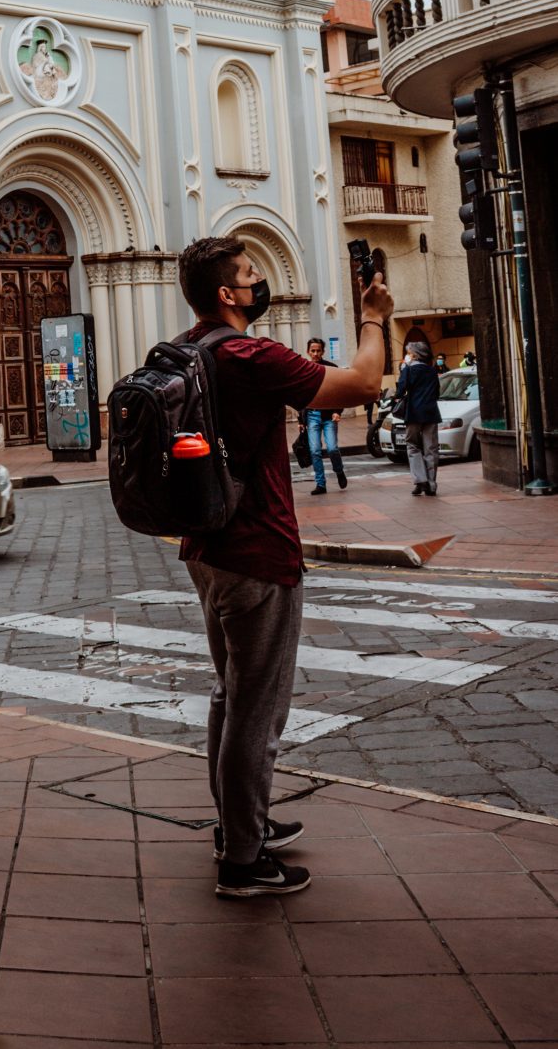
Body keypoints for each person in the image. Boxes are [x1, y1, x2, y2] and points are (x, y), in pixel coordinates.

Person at [176, 236, 393, 899]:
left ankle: (239, 826)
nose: (258, 281)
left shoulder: (191, 348)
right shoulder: (249, 353)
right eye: (248, 274)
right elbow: (360, 385)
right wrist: (374, 316)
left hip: (207, 547)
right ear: (227, 294)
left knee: (229, 694)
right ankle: (243, 859)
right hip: (257, 550)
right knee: (255, 707)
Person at [298, 337, 347, 495]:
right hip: (312, 416)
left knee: (332, 448)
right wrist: (301, 420)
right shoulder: (303, 369)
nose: (315, 353)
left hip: (328, 416)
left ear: (323, 351)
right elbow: (300, 396)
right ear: (308, 352)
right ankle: (321, 484)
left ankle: (339, 471)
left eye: (318, 350)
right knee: (315, 451)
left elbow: (340, 392)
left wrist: (337, 411)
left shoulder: (331, 368)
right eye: (312, 351)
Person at [395, 340, 440, 496]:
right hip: (431, 413)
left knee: (413, 446)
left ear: (414, 355)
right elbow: (437, 393)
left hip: (414, 413)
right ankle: (432, 483)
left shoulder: (408, 370)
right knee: (431, 448)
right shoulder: (432, 371)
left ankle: (420, 481)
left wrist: (403, 370)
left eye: (408, 353)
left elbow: (400, 391)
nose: (407, 356)